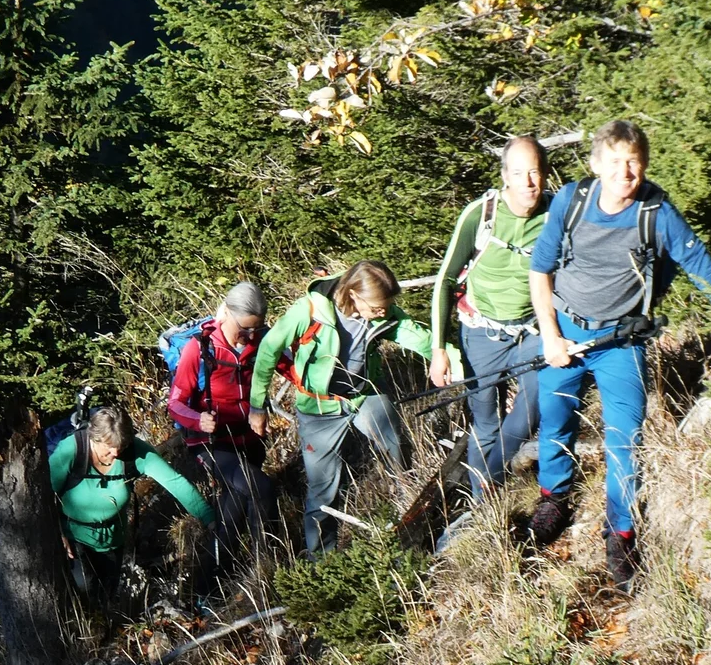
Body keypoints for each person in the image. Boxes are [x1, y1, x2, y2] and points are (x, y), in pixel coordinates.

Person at [527, 119, 711, 590]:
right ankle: (553, 497)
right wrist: (551, 337)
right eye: (615, 161)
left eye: (634, 161)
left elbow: (700, 266)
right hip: (566, 329)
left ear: (644, 164)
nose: (625, 171)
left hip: (623, 341)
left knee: (625, 439)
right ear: (596, 164)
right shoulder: (570, 203)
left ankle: (619, 533)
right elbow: (540, 272)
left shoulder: (656, 211)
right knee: (556, 420)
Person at [250, 261, 457, 556]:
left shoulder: (381, 312)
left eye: (386, 306)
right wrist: (258, 406)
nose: (383, 312)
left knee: (397, 454)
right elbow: (269, 349)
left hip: (364, 396)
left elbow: (419, 338)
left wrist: (456, 362)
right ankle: (322, 565)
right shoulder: (309, 311)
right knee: (323, 490)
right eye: (376, 308)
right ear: (355, 295)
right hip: (319, 408)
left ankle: (408, 525)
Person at [431, 134, 552, 501]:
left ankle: (493, 474)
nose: (529, 183)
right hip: (481, 334)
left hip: (532, 329)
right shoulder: (480, 215)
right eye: (520, 173)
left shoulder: (556, 212)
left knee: (532, 404)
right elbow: (445, 279)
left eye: (535, 172)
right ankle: (483, 509)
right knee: (485, 423)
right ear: (505, 177)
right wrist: (439, 349)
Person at [168, 281, 279, 587]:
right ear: (226, 314)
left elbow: (289, 368)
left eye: (257, 329)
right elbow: (175, 403)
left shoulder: (260, 341)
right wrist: (197, 419)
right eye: (245, 328)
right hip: (212, 443)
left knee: (234, 510)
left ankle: (208, 585)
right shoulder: (200, 348)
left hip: (250, 439)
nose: (250, 336)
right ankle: (266, 571)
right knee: (262, 489)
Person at [52, 405, 214, 609]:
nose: (116, 452)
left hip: (114, 540)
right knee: (83, 590)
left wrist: (210, 518)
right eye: (109, 446)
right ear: (94, 437)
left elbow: (175, 483)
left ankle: (105, 632)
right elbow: (46, 492)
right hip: (74, 539)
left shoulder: (135, 451)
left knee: (105, 597)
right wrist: (58, 533)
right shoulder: (72, 450)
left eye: (121, 445)